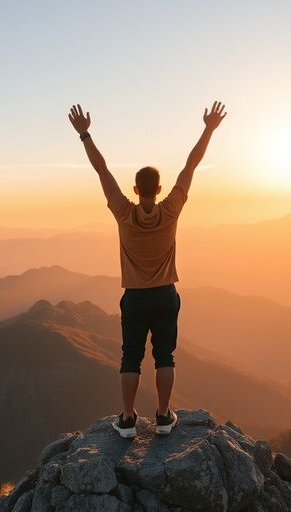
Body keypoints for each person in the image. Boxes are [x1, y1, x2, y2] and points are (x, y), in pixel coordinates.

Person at [67, 101, 227, 437]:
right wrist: (209, 129)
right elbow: (191, 165)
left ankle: (127, 420)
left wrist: (84, 135)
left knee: (131, 358)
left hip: (135, 298)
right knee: (165, 357)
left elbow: (102, 170)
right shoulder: (171, 209)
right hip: (166, 294)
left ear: (137, 190)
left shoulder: (124, 212)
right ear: (160, 189)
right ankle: (164, 416)